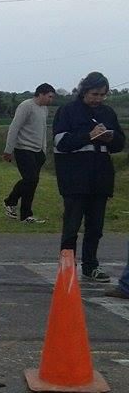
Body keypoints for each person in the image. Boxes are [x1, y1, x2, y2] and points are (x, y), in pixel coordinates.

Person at [53, 71, 125, 282]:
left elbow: (121, 143)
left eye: (103, 95)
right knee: (72, 225)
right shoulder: (67, 111)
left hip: (100, 176)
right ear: (84, 91)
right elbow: (61, 142)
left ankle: (91, 265)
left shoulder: (108, 112)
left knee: (96, 226)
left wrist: (111, 138)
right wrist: (89, 136)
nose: (98, 99)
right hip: (74, 177)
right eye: (95, 94)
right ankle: (67, 266)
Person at [2, 83, 55, 224]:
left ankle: (26, 215)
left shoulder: (44, 110)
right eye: (49, 96)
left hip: (37, 151)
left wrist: (43, 150)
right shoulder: (26, 106)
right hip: (23, 148)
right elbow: (14, 127)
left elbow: (43, 130)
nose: (51, 100)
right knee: (30, 179)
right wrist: (8, 150)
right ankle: (10, 201)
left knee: (33, 183)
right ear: (41, 94)